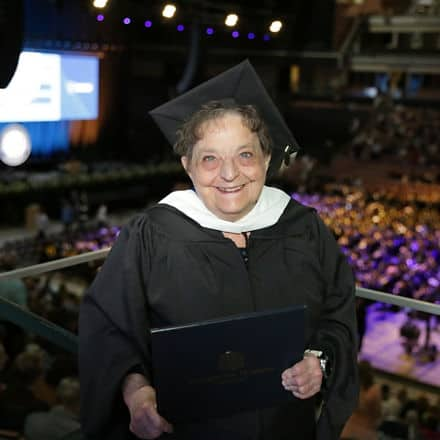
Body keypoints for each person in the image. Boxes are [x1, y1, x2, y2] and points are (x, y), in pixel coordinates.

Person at [79, 60, 359, 440]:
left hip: (288, 428)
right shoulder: (151, 235)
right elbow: (110, 331)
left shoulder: (304, 228)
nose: (229, 174)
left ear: (265, 159)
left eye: (245, 155)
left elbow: (338, 314)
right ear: (187, 166)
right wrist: (135, 391)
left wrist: (320, 360)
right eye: (209, 158)